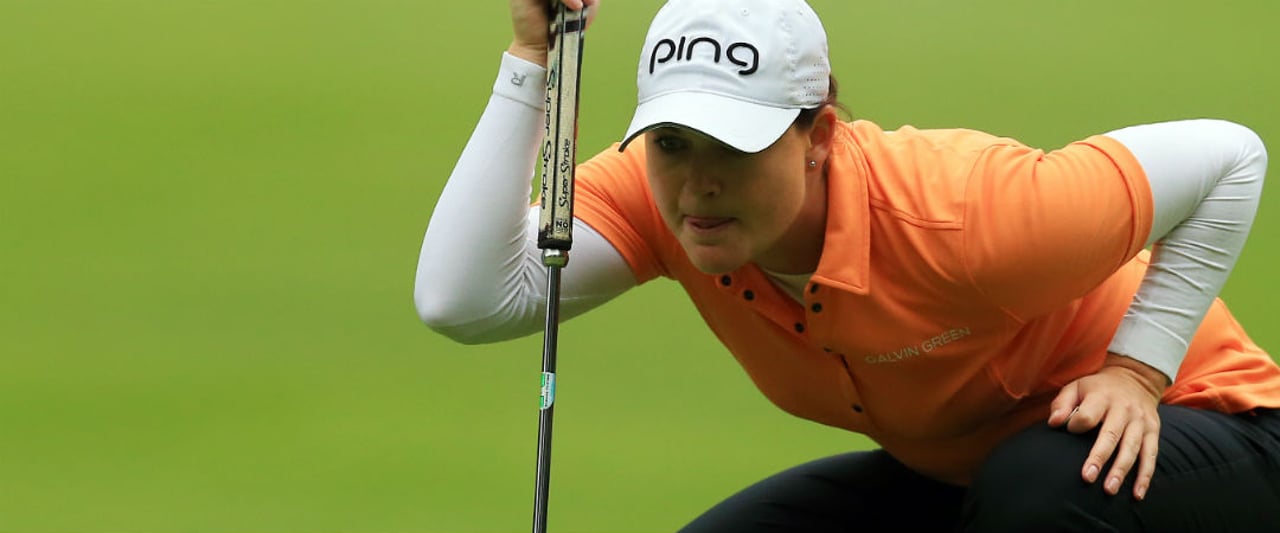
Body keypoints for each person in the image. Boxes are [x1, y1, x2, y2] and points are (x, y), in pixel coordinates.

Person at [415, 0, 1280, 530]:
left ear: (818, 137)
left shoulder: (971, 213)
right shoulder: (664, 200)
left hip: (1216, 437)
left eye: (736, 147)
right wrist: (533, 60)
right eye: (672, 144)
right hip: (970, 475)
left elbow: (1229, 157)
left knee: (1043, 491)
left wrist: (1137, 368)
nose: (699, 185)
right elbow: (464, 296)